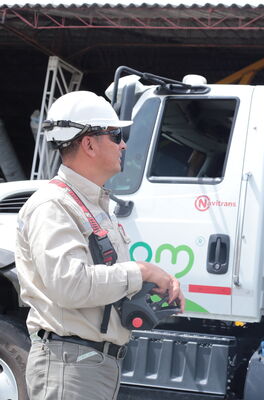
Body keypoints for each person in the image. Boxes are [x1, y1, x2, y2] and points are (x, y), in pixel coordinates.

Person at [14, 90, 185, 400]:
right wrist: (140, 271)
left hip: (89, 364)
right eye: (115, 134)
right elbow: (70, 285)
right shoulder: (54, 205)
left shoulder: (89, 205)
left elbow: (97, 281)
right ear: (89, 143)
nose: (123, 144)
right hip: (72, 364)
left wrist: (146, 287)